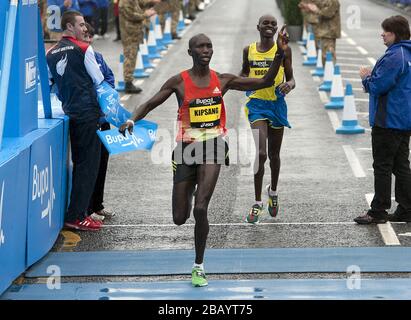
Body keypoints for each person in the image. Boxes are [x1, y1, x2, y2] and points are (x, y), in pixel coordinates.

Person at [119, 29, 289, 287]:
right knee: (179, 217)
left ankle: (199, 265)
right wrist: (132, 118)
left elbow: (264, 81)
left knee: (201, 208)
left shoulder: (222, 80)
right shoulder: (178, 81)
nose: (206, 51)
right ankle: (187, 185)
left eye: (209, 46)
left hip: (213, 147)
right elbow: (151, 102)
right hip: (186, 149)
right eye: (200, 47)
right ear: (190, 52)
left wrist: (278, 53)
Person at [47, 10, 104, 231]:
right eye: (81, 25)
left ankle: (79, 213)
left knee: (81, 163)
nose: (84, 28)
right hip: (89, 111)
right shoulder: (84, 49)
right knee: (87, 166)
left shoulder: (51, 52)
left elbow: (50, 82)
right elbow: (99, 81)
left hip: (70, 110)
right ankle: (78, 215)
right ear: (69, 27)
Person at [354, 15, 411, 224]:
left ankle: (378, 211)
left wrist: (365, 77)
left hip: (388, 120)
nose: (382, 34)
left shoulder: (395, 56)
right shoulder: (407, 54)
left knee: (383, 166)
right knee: (401, 165)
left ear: (394, 34)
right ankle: (406, 208)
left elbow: (378, 86)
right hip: (404, 119)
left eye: (385, 31)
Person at [240, 15, 295, 224]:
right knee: (261, 153)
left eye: (273, 24)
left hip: (277, 105)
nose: (270, 26)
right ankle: (257, 203)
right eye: (266, 23)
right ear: (258, 27)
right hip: (256, 105)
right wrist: (229, 84)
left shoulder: (284, 50)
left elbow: (291, 77)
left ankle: (272, 192)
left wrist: (289, 85)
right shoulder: (249, 50)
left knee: (274, 155)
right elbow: (244, 73)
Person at [83, 23, 116, 221]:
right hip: (87, 118)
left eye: (89, 36)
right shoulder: (74, 58)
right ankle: (86, 208)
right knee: (88, 165)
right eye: (84, 36)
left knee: (102, 163)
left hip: (102, 118)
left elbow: (109, 79)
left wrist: (105, 98)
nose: (87, 40)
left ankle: (98, 205)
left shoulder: (98, 58)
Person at [119, 0, 160, 94]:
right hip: (129, 34)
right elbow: (131, 15)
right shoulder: (124, 2)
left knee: (133, 56)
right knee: (130, 56)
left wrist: (151, 2)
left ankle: (129, 81)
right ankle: (128, 83)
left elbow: (140, 3)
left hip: (134, 32)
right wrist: (145, 15)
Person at [298, 0, 341, 65]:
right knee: (324, 55)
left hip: (329, 32)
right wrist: (309, 6)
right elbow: (319, 3)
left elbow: (328, 13)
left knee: (328, 54)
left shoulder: (333, 1)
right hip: (324, 31)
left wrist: (315, 10)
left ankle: (330, 72)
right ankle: (327, 71)